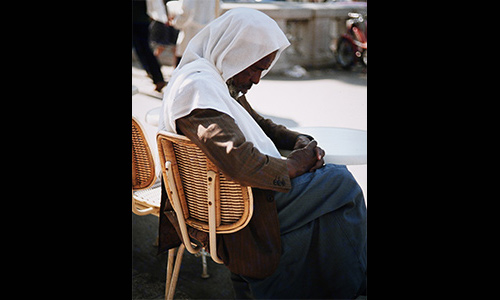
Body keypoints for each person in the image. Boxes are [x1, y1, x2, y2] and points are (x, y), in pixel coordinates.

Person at [157, 8, 367, 299]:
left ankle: (335, 285)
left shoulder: (212, 80)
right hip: (240, 206)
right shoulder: (198, 91)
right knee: (340, 183)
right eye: (253, 68)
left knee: (328, 207)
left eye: (263, 69)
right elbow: (241, 162)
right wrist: (296, 163)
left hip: (234, 195)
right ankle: (355, 282)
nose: (256, 79)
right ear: (232, 52)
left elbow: (260, 124)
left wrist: (298, 140)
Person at [132, 0, 168, 92]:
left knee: (143, 49)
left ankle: (157, 77)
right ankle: (156, 76)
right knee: (142, 49)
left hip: (139, 20)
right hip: (141, 19)